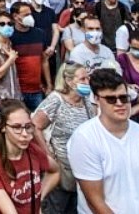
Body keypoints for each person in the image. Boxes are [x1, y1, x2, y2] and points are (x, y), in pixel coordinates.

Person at [67, 69, 139, 214]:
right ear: (97, 100)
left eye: (124, 98)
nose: (119, 104)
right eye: (111, 99)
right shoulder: (84, 139)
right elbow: (95, 202)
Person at [32, 61, 95, 214]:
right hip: (61, 169)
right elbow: (35, 126)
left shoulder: (87, 102)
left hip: (81, 170)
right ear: (68, 80)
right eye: (82, 79)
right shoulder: (56, 100)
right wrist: (48, 155)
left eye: (88, 78)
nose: (87, 82)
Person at [0, 99, 60, 213]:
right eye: (16, 127)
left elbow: (55, 171)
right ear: (3, 127)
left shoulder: (33, 150)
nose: (25, 134)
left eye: (28, 127)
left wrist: (38, 197)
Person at [10, 2, 51, 112]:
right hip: (17, 91)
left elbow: (44, 61)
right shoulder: (10, 37)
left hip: (37, 89)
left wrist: (49, 85)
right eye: (25, 15)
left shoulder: (40, 34)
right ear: (15, 16)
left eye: (30, 14)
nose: (29, 17)